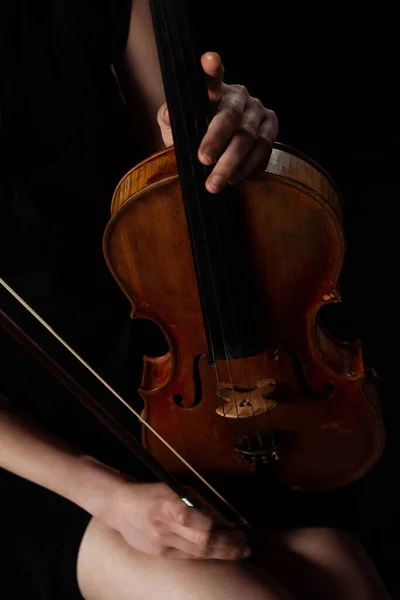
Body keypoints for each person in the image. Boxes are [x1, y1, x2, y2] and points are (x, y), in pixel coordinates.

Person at [0, 0, 392, 598]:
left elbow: (173, 156)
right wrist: (108, 495)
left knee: (342, 576)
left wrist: (225, 127)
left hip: (154, 391)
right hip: (26, 453)